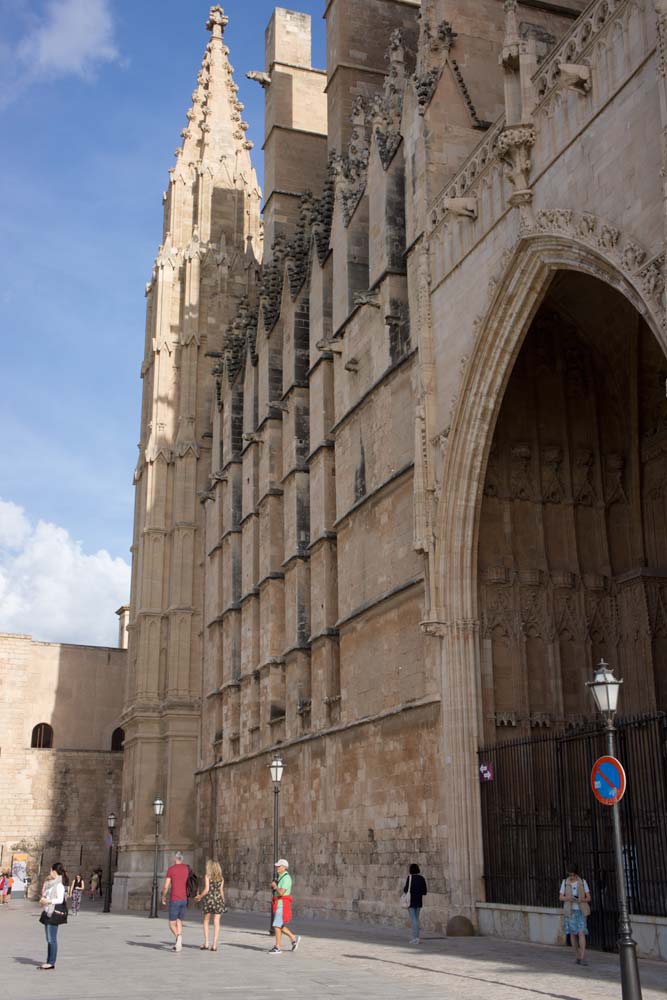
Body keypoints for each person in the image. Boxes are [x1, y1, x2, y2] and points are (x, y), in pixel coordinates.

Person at [560, 864, 591, 966]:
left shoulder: (582, 882)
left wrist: (581, 900)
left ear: (576, 873)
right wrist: (568, 898)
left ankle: (582, 956)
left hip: (581, 910)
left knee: (581, 933)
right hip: (570, 911)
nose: (571, 877)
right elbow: (561, 897)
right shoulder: (565, 882)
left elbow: (589, 898)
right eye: (570, 875)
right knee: (573, 934)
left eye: (572, 875)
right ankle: (577, 955)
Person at [38, 862, 67, 970]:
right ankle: (49, 961)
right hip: (47, 913)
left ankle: (51, 962)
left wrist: (48, 900)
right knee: (49, 939)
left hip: (53, 914)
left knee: (52, 939)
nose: (50, 872)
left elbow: (59, 900)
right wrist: (43, 900)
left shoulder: (59, 885)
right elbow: (46, 895)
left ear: (54, 871)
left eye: (51, 870)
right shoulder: (51, 884)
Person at [269, 859, 300, 955]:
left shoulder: (286, 878)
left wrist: (275, 886)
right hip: (278, 904)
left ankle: (277, 947)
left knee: (277, 925)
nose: (277, 868)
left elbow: (281, 892)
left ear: (284, 867)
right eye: (277, 866)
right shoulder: (280, 877)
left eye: (279, 866)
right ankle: (293, 938)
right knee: (279, 925)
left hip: (282, 905)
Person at [161, 851, 190, 952]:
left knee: (171, 924)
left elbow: (166, 886)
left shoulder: (171, 869)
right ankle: (178, 945)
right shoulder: (187, 868)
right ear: (182, 859)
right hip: (184, 899)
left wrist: (163, 896)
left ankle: (179, 937)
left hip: (175, 899)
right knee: (179, 921)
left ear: (175, 859)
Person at [195, 859, 225, 951]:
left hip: (209, 900)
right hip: (218, 900)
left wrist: (200, 896)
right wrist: (223, 902)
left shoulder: (207, 876)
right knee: (217, 922)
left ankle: (206, 943)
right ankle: (214, 945)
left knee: (206, 921)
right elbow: (221, 891)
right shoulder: (221, 878)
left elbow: (207, 889)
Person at [403, 863, 428, 944]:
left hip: (411, 901)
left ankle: (415, 938)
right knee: (416, 919)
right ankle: (417, 937)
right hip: (419, 901)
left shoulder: (409, 878)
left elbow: (406, 889)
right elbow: (424, 892)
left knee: (413, 920)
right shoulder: (422, 878)